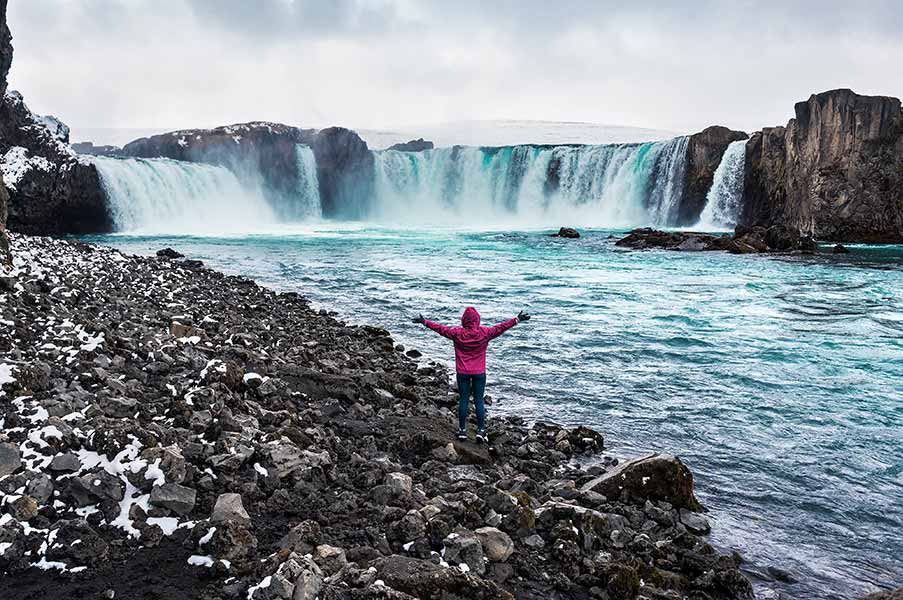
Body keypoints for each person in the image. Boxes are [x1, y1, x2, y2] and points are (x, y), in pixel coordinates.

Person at [413, 307, 531, 442]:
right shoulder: (485, 333)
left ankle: (462, 431)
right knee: (479, 400)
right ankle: (481, 431)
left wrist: (425, 322)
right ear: (477, 320)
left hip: (462, 372)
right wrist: (517, 320)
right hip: (479, 372)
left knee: (463, 400)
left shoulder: (457, 333)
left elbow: (441, 329)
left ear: (464, 320)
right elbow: (501, 328)